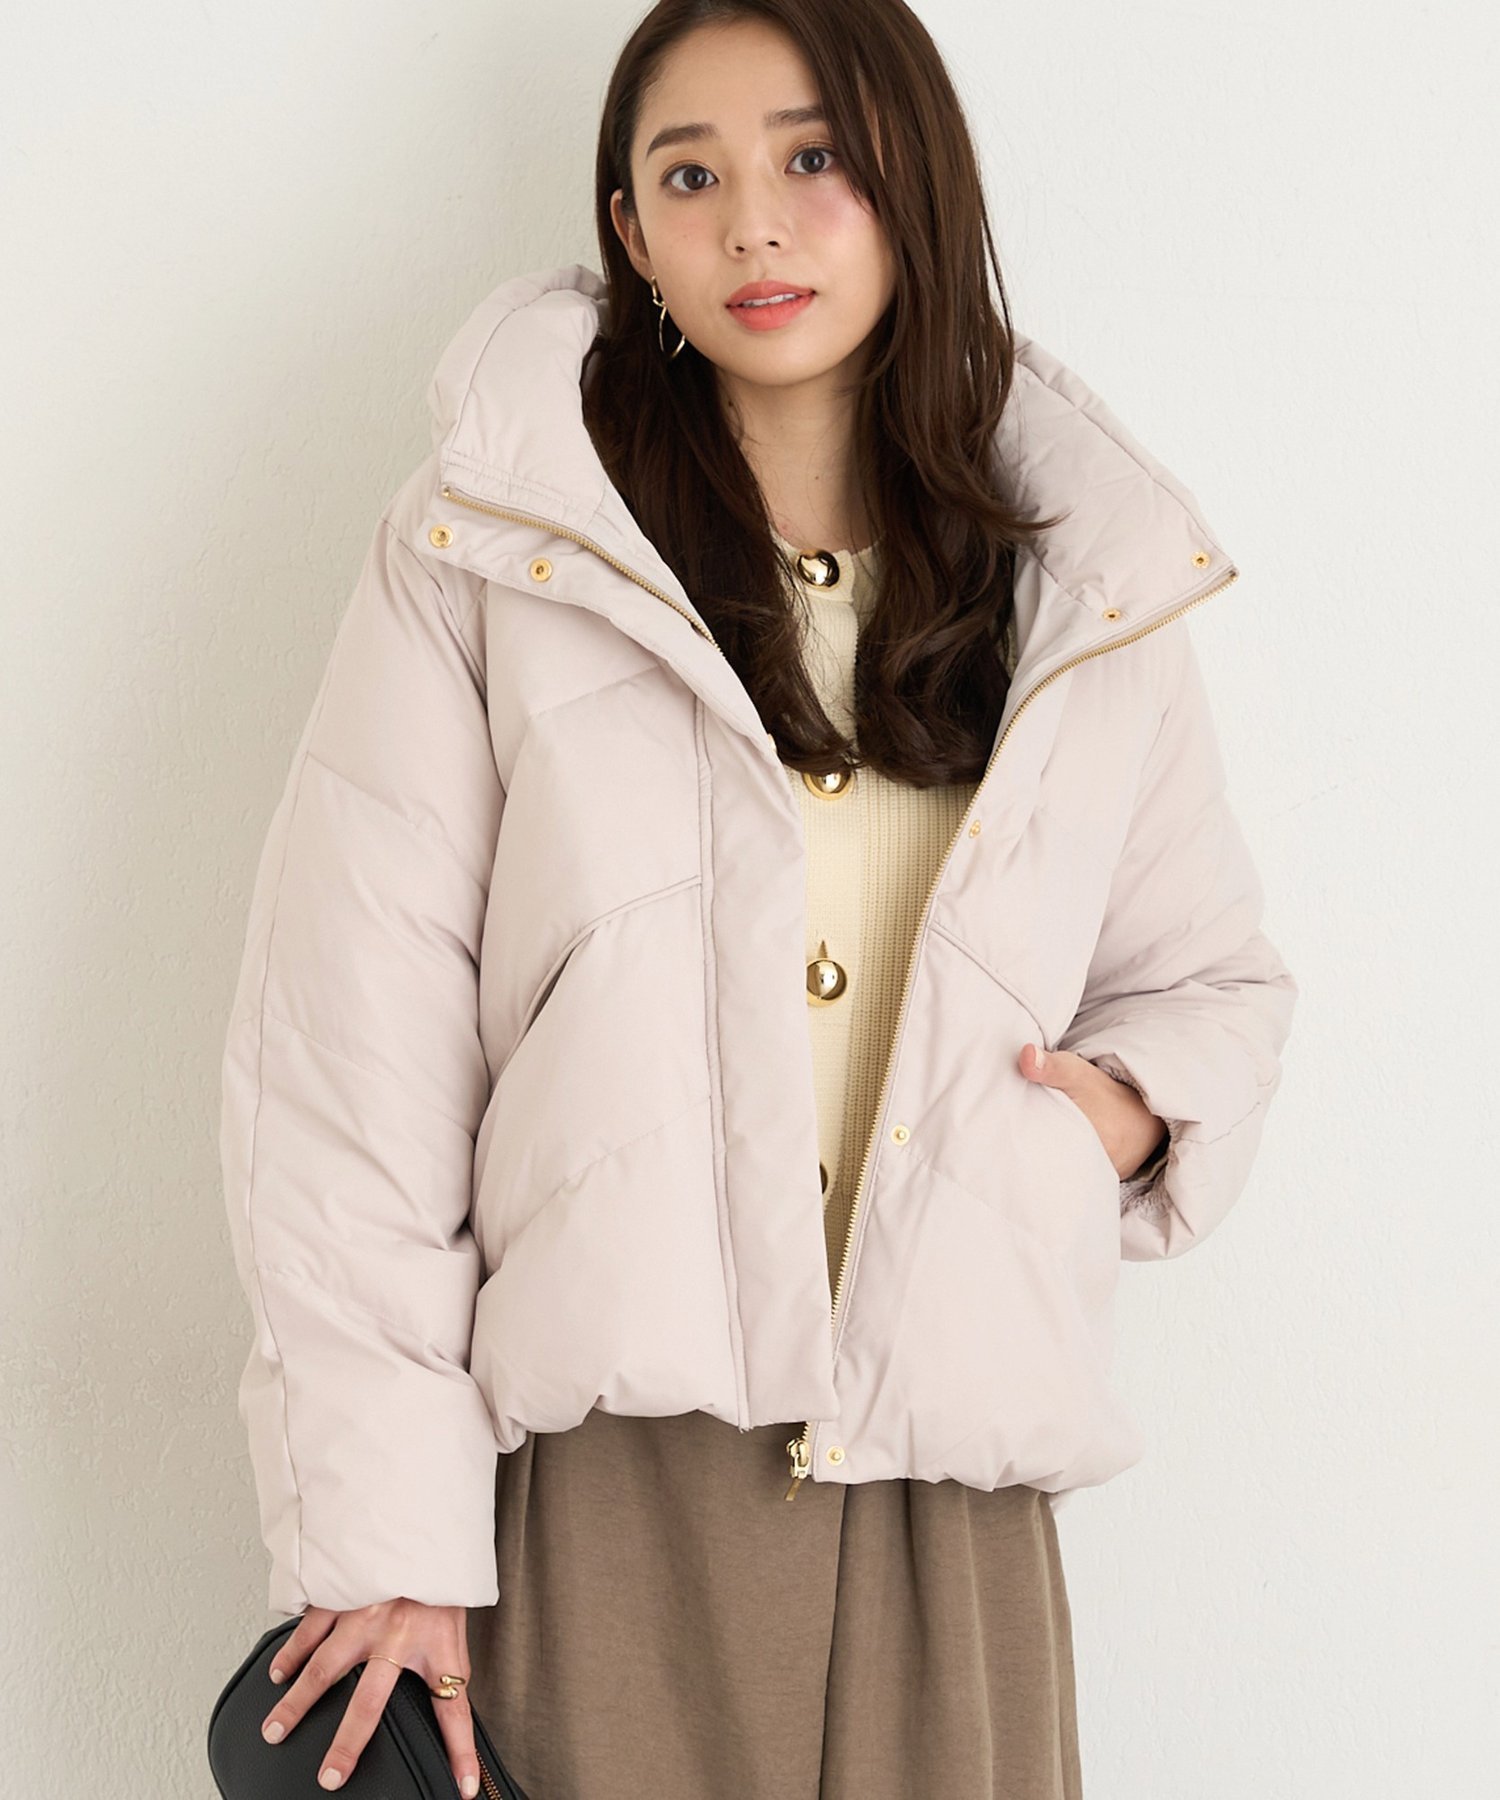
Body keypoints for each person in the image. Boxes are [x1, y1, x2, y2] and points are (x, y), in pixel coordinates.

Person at [217, 2, 1298, 1795]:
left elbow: (1211, 983)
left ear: (912, 182)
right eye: (689, 176)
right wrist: (389, 1528)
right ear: (629, 233)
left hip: (950, 1499)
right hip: (608, 1498)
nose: (754, 224)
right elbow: (351, 1064)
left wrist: (1104, 1121)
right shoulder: (491, 554)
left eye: (814, 159)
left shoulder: (1080, 581)